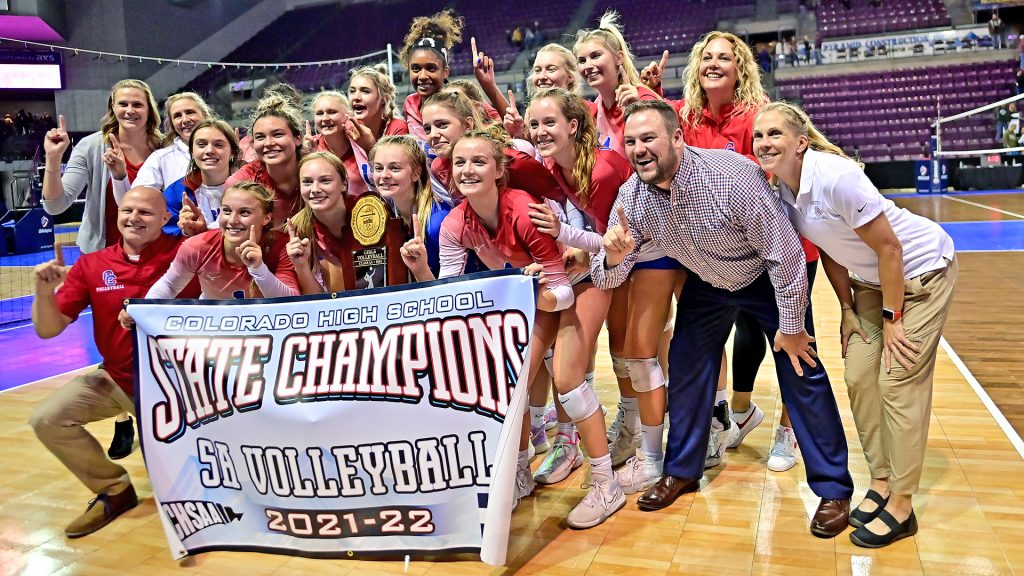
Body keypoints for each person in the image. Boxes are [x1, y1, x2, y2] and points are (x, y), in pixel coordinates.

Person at [591, 100, 854, 538]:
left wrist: (790, 328)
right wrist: (613, 258)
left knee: (800, 367)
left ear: (676, 137)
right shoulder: (632, 196)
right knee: (689, 365)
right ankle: (682, 470)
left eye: (649, 138)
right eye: (631, 141)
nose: (638, 149)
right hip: (708, 281)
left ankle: (833, 488)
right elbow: (609, 274)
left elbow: (785, 255)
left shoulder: (730, 176)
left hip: (763, 275)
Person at [754, 101, 957, 548]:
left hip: (920, 274)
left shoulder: (836, 177)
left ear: (800, 142)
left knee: (897, 381)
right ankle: (881, 481)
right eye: (759, 136)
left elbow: (890, 249)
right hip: (868, 284)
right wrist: (846, 309)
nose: (764, 142)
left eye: (775, 134)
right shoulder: (780, 189)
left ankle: (902, 507)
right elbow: (829, 247)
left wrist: (894, 318)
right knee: (861, 377)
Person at [401, 130, 586, 520]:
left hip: (560, 294)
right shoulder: (454, 223)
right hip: (518, 304)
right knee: (502, 384)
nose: (467, 169)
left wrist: (527, 292)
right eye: (460, 163)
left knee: (527, 381)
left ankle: (571, 449)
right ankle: (518, 469)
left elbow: (563, 292)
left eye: (479, 161)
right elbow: (450, 294)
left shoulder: (524, 210)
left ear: (499, 170)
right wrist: (420, 269)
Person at [29, 186, 195, 538]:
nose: (134, 218)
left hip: (182, 386)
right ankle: (115, 490)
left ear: (165, 218)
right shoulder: (93, 264)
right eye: (127, 210)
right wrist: (43, 293)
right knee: (47, 418)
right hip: (119, 380)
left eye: (145, 213)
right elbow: (48, 329)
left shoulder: (185, 254)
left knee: (193, 479)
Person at [42, 79, 164, 253]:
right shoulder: (90, 147)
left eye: (137, 104)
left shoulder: (166, 148)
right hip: (102, 254)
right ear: (113, 107)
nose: (130, 110)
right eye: (123, 104)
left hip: (154, 251)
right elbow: (55, 206)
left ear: (149, 109)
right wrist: (53, 158)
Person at [145, 181, 299, 299]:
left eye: (244, 212)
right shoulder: (198, 246)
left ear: (266, 218)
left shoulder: (281, 248)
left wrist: (259, 269)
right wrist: (142, 310)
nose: (232, 220)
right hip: (215, 329)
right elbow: (170, 286)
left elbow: (291, 303)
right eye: (226, 211)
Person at [370, 135, 461, 277]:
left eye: (394, 168)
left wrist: (420, 269)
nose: (384, 175)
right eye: (378, 168)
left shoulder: (437, 222)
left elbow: (451, 290)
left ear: (415, 173)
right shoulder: (389, 218)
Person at [574, 10, 661, 158]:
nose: (588, 65)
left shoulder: (643, 98)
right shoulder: (596, 108)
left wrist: (641, 110)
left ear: (619, 58)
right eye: (582, 60)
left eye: (596, 56)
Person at [112, 92, 213, 200]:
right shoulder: (161, 158)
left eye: (190, 112)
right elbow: (133, 201)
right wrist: (119, 176)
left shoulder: (227, 149)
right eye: (177, 116)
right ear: (172, 124)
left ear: (205, 115)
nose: (185, 120)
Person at [226, 96, 305, 226]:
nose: (268, 143)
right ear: (252, 144)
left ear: (298, 138)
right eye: (260, 137)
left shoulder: (316, 169)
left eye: (278, 134)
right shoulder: (242, 182)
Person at [164, 118, 241, 236]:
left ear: (233, 152)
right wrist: (186, 231)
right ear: (192, 152)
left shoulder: (250, 187)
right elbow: (169, 243)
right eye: (201, 145)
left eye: (218, 145)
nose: (209, 150)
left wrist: (205, 232)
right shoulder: (176, 193)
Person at [399, 9, 464, 141]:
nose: (422, 76)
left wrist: (489, 85)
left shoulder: (461, 102)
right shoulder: (409, 104)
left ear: (445, 72)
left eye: (431, 68)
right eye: (416, 68)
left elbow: (500, 126)